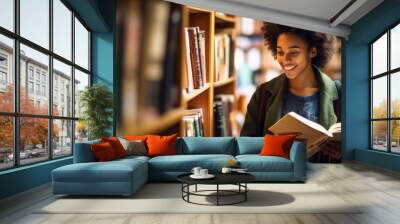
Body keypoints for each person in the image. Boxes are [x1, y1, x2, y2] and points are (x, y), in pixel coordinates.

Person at [240, 23, 341, 163]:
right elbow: (245, 148)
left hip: (324, 180)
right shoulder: (263, 94)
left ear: (312, 51)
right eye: (280, 52)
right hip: (278, 178)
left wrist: (342, 152)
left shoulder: (340, 93)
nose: (285, 60)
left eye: (293, 52)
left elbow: (355, 151)